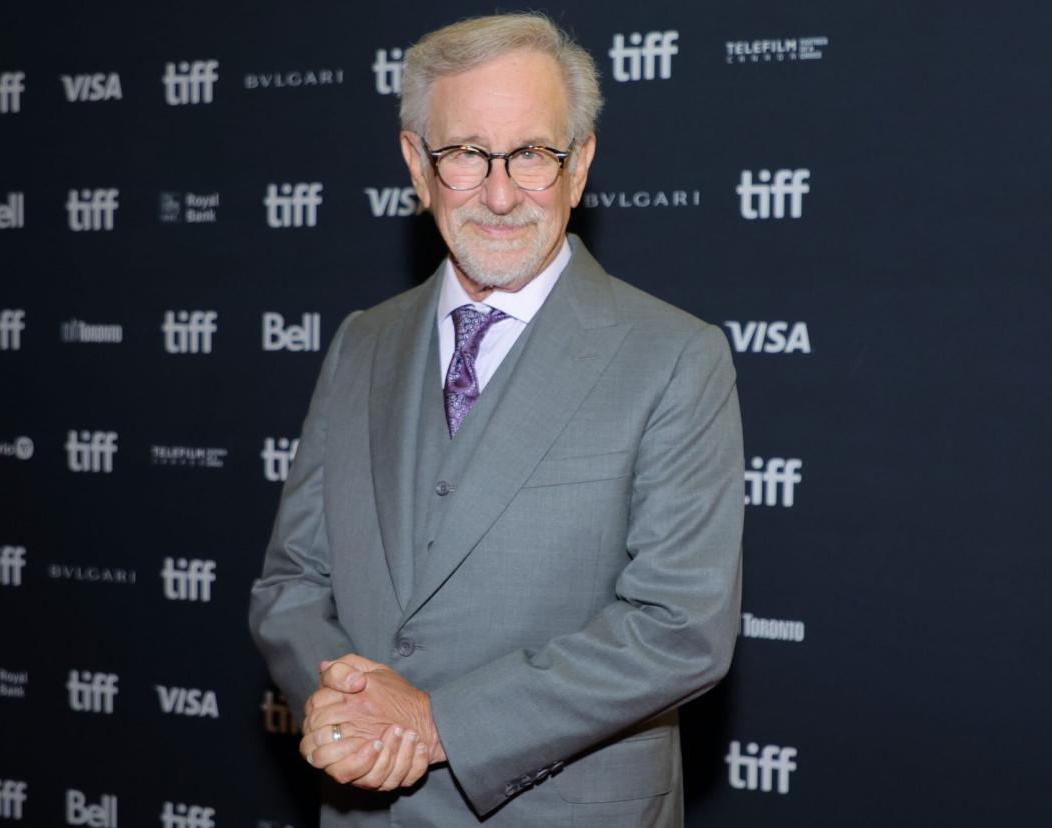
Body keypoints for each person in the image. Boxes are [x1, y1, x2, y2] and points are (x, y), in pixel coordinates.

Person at [249, 12, 744, 826]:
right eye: (467, 155)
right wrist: (350, 707)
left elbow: (679, 628)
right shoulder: (361, 343)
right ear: (418, 165)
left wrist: (437, 724)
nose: (502, 192)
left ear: (579, 165)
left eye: (533, 155)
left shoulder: (675, 357)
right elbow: (290, 584)